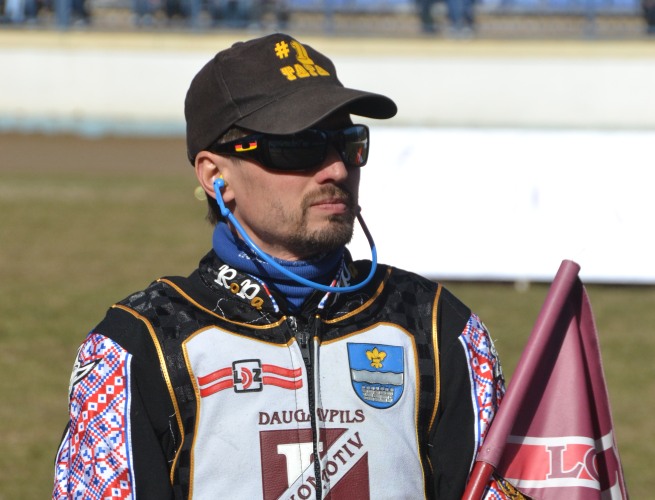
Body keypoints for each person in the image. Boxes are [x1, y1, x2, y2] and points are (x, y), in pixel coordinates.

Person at [53, 33, 509, 499]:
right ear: (216, 176)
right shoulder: (137, 348)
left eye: (348, 143)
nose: (337, 170)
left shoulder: (440, 327)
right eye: (300, 146)